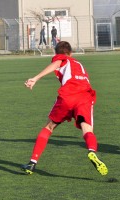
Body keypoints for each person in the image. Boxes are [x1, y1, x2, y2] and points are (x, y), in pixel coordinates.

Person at [21, 41, 108, 176]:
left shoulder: (62, 59)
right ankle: (92, 151)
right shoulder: (79, 64)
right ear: (71, 53)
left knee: (49, 128)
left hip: (68, 96)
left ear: (57, 53)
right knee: (87, 130)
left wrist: (35, 78)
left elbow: (57, 63)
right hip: (85, 97)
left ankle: (32, 163)